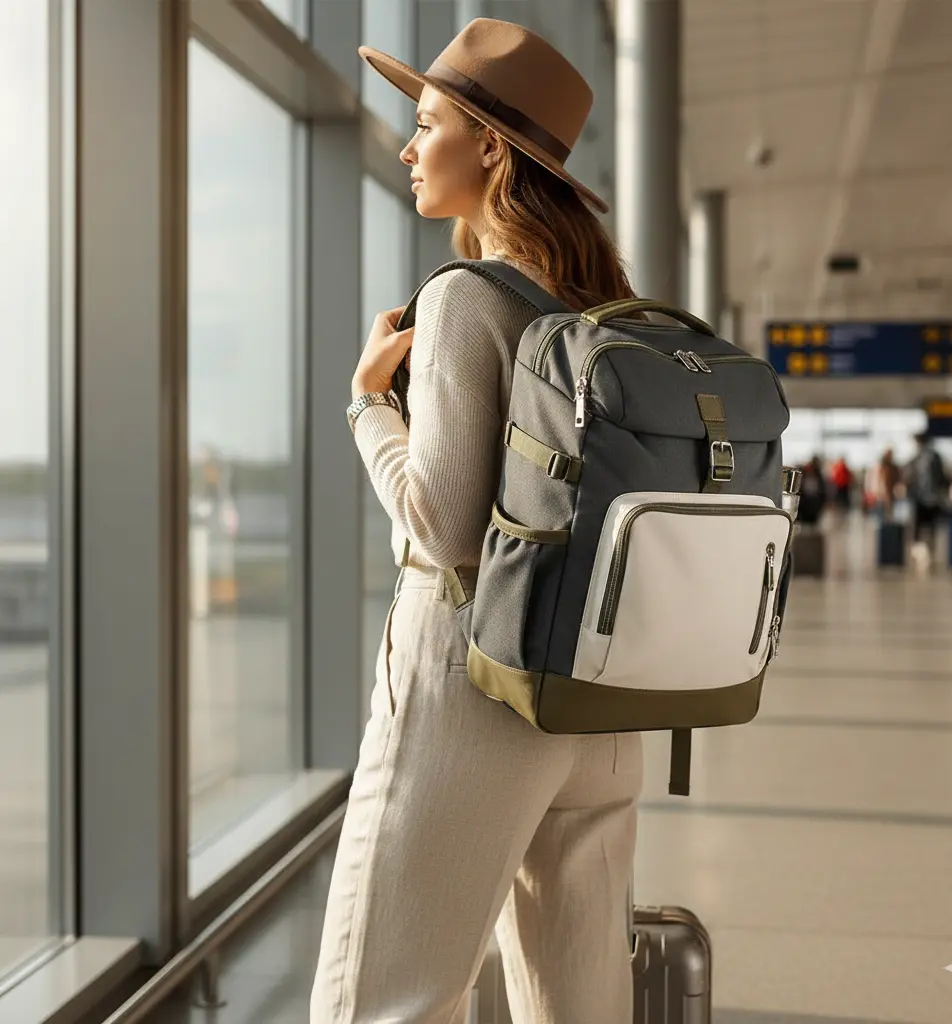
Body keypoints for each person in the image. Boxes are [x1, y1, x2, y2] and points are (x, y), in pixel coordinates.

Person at [311, 19, 644, 1024]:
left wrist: (371, 406)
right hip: (601, 694)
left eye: (426, 125)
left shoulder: (465, 297)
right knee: (579, 996)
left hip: (478, 682)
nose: (409, 149)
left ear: (489, 146)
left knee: (386, 994)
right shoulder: (602, 300)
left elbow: (443, 524)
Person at [905, 432, 948, 568]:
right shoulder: (935, 457)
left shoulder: (916, 459)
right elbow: (942, 478)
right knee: (930, 528)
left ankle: (923, 553)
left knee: (918, 529)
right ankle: (928, 553)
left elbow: (910, 478)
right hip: (932, 498)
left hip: (921, 498)